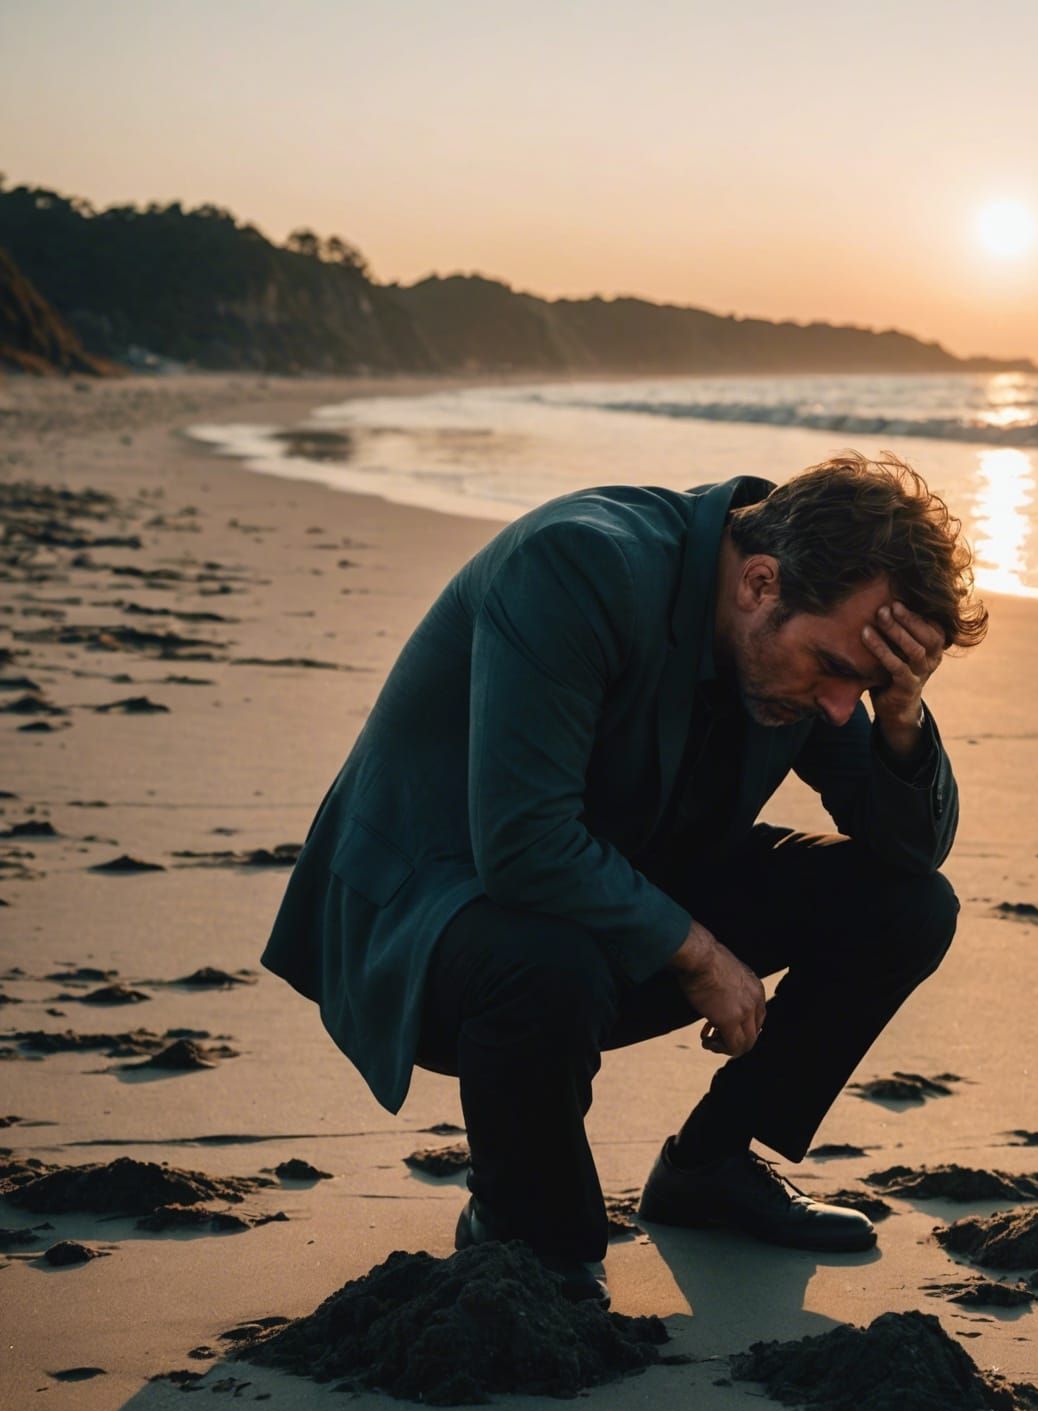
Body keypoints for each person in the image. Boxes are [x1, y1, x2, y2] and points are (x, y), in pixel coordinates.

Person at [262, 449, 987, 1304]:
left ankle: (709, 1167)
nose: (841, 706)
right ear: (759, 583)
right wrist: (698, 953)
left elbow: (908, 853)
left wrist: (899, 715)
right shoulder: (579, 564)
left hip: (608, 897)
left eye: (864, 684)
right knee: (549, 969)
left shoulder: (804, 650)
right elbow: (525, 844)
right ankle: (521, 1227)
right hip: (433, 919)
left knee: (905, 908)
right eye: (837, 671)